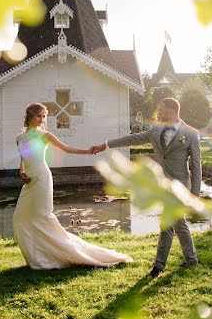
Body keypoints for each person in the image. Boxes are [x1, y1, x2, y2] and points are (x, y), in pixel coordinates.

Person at [13, 102, 133, 270]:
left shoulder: (45, 135)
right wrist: (21, 171)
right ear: (29, 116)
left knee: (42, 216)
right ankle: (36, 257)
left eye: (43, 116)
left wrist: (88, 151)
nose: (41, 119)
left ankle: (54, 256)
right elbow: (24, 156)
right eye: (38, 116)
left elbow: (67, 149)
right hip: (29, 180)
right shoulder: (20, 137)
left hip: (41, 177)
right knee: (20, 218)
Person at [90, 97, 201, 277]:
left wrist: (195, 192)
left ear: (171, 109)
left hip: (180, 185)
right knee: (171, 223)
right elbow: (133, 139)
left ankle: (163, 265)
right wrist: (106, 145)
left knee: (173, 223)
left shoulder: (190, 133)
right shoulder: (156, 130)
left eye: (161, 108)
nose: (158, 112)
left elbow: (196, 164)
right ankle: (184, 261)